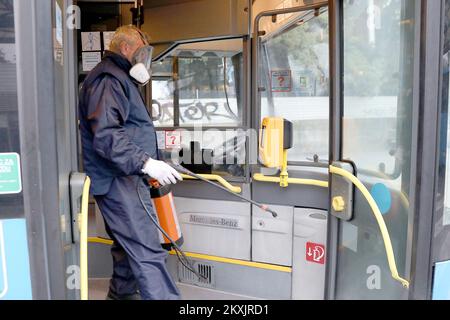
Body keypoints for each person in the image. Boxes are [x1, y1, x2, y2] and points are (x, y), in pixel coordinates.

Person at [78, 25, 183, 300]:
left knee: (128, 248)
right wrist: (147, 163)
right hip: (118, 181)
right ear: (126, 49)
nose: (145, 60)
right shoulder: (108, 81)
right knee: (147, 250)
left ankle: (121, 296)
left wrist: (148, 165)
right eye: (142, 52)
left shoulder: (118, 78)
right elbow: (107, 135)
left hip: (126, 177)